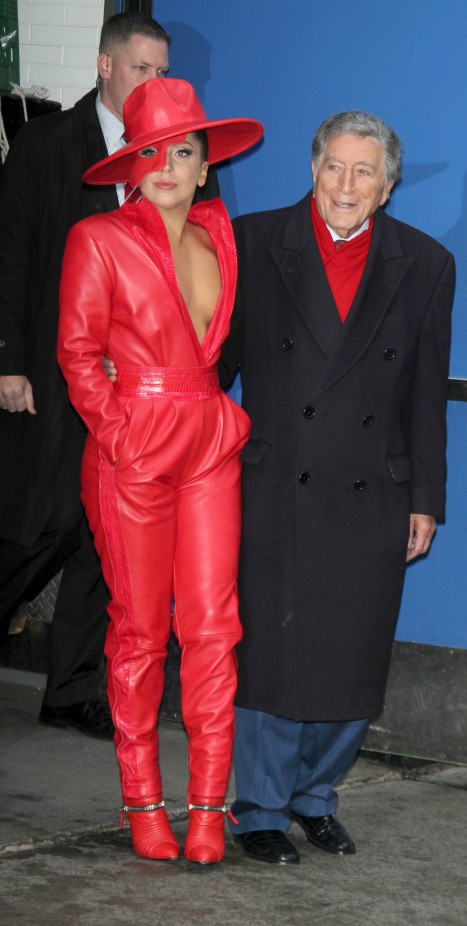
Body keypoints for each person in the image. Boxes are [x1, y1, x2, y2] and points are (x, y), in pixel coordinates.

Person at [218, 110, 455, 865]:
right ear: (312, 170)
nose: (346, 185)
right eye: (334, 167)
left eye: (364, 172)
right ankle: (259, 808)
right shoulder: (254, 242)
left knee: (352, 653)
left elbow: (426, 393)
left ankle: (314, 796)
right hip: (276, 481)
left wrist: (426, 498)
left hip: (372, 489)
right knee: (273, 652)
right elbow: (213, 364)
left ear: (387, 187)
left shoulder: (427, 263)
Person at [57, 77, 263, 864]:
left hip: (209, 441)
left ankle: (207, 809)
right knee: (140, 629)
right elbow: (77, 356)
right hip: (134, 447)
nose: (167, 167)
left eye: (182, 152)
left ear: (206, 165)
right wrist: (119, 437)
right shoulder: (98, 239)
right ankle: (142, 801)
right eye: (151, 153)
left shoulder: (221, 240)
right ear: (129, 164)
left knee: (213, 628)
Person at [0, 12, 217, 736]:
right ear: (104, 66)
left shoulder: (184, 155)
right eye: (141, 68)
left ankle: (71, 690)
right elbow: (11, 254)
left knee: (107, 545)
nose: (153, 81)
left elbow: (208, 270)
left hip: (143, 398)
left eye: (164, 71)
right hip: (55, 378)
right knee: (42, 525)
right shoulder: (47, 144)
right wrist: (7, 361)